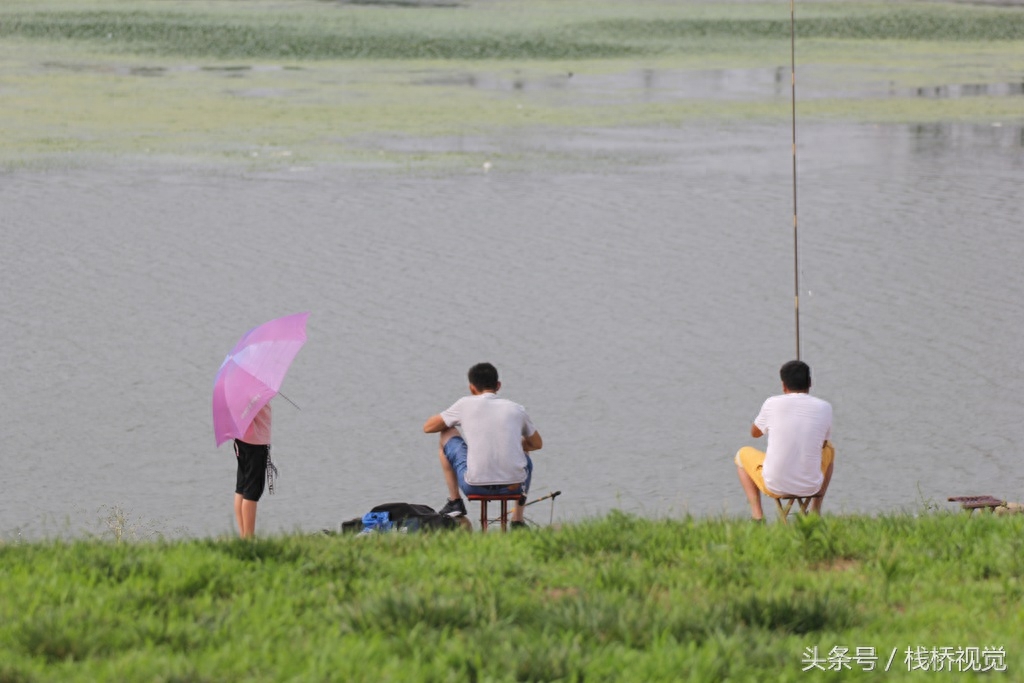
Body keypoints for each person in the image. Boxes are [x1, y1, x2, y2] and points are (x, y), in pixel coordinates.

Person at [423, 362, 543, 528]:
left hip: (473, 486)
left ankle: (455, 501)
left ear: (472, 388)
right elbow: (537, 444)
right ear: (498, 385)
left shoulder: (464, 404)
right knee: (524, 451)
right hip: (513, 488)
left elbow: (428, 427)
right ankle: (517, 520)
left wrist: (452, 419)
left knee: (446, 432)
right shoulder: (516, 409)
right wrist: (516, 443)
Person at [735, 360, 834, 521]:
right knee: (830, 448)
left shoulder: (772, 403)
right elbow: (822, 444)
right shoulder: (825, 407)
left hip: (775, 485)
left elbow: (755, 433)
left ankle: (757, 516)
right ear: (810, 382)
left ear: (783, 385)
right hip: (811, 486)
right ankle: (815, 511)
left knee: (741, 455)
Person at [234, 401, 273, 538]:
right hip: (256, 442)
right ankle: (249, 538)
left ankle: (243, 535)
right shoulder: (257, 386)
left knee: (242, 488)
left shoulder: (237, 385)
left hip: (241, 438)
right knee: (252, 492)